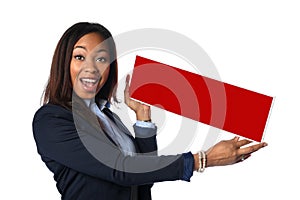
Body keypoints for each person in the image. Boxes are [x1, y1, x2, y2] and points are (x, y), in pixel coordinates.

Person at [32, 22, 267, 200]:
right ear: (64, 62)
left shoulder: (107, 116)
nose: (91, 68)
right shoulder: (51, 121)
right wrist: (201, 160)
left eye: (102, 59)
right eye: (80, 57)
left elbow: (144, 172)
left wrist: (143, 118)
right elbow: (119, 168)